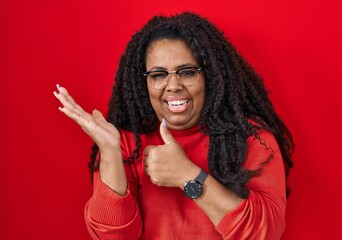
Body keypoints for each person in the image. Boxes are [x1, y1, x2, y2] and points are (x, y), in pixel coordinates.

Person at [54, 12, 294, 240]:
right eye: (158, 75)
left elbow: (266, 234)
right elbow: (113, 237)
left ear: (209, 76)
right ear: (144, 83)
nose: (173, 86)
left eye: (187, 72)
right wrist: (109, 152)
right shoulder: (127, 142)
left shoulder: (250, 137)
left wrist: (188, 176)